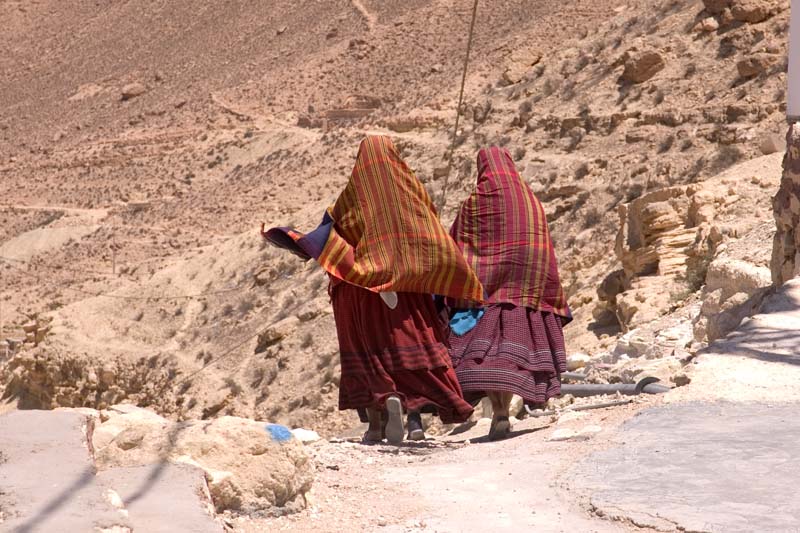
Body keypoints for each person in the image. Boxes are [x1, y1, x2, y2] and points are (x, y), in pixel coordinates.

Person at [263, 136, 483, 443]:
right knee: (409, 351)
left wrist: (296, 240)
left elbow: (326, 240)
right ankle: (415, 422)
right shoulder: (413, 194)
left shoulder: (346, 201)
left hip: (356, 290)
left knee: (366, 353)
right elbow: (432, 235)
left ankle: (376, 424)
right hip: (406, 288)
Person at [446, 146, 572, 441]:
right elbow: (542, 247)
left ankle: (499, 410)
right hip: (526, 293)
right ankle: (503, 411)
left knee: (487, 354)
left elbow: (457, 244)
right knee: (512, 353)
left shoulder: (474, 203)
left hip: (486, 291)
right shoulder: (531, 202)